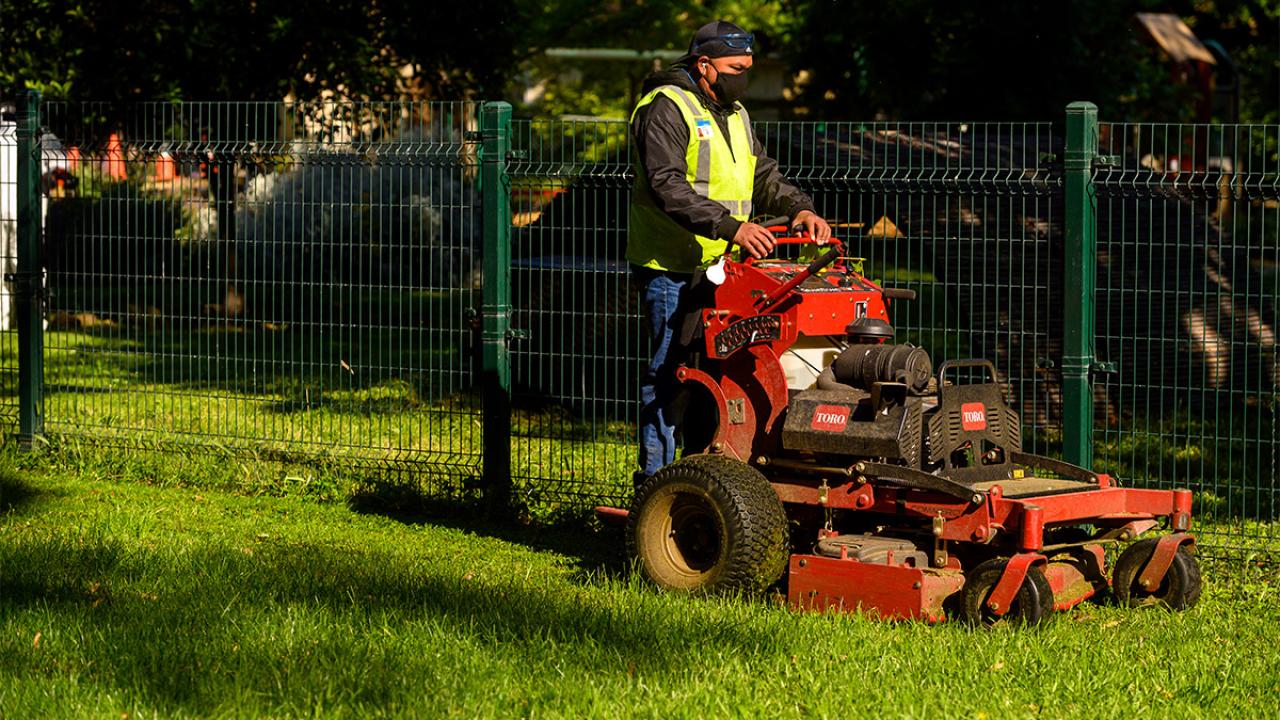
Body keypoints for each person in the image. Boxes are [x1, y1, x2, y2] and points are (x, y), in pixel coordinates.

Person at [628, 19, 833, 488]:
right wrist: (731, 227)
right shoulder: (665, 107)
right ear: (705, 66)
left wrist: (799, 208)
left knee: (720, 376)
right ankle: (656, 488)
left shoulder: (735, 112)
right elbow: (667, 184)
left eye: (749, 66)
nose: (745, 75)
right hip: (672, 266)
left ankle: (706, 477)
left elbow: (762, 174)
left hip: (725, 269)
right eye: (735, 67)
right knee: (670, 378)